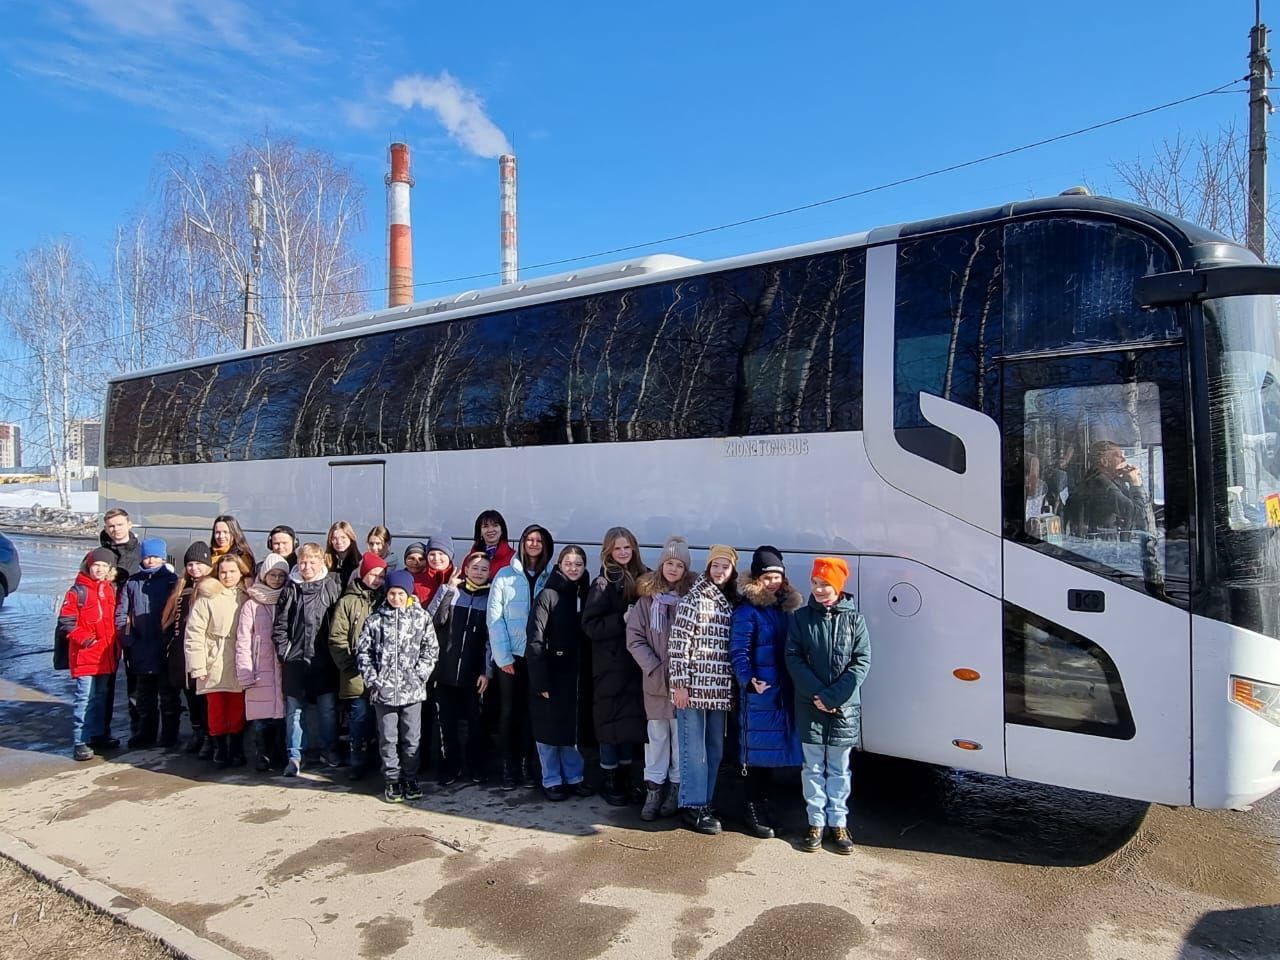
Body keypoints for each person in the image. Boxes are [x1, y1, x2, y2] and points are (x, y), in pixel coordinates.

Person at [786, 557, 870, 855]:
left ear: (838, 587)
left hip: (843, 709)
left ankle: (839, 822)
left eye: (826, 584)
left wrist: (833, 697)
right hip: (811, 706)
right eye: (816, 583)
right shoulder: (800, 618)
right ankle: (816, 823)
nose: (820, 589)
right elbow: (793, 658)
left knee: (839, 769)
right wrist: (818, 695)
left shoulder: (855, 620)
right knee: (812, 768)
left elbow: (861, 663)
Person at [730, 545, 804, 839]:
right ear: (758, 577)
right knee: (756, 754)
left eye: (778, 576)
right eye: (768, 576)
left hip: (782, 691)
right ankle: (751, 806)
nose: (774, 581)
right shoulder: (748, 610)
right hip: (760, 691)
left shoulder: (784, 609)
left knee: (774, 752)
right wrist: (748, 680)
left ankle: (762, 803)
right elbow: (738, 650)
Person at [668, 544, 739, 835]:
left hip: (719, 690)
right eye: (715, 566)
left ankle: (705, 801)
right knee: (693, 749)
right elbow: (678, 644)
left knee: (714, 749)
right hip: (694, 686)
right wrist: (679, 684)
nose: (720, 571)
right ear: (707, 568)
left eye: (725, 566)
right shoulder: (694, 598)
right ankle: (692, 805)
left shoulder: (730, 599)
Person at [625, 536, 695, 820]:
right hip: (654, 681)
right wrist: (653, 667)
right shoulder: (646, 601)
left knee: (680, 739)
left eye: (679, 565)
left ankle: (676, 791)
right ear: (661, 565)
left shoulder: (691, 599)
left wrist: (685, 672)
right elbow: (635, 638)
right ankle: (654, 790)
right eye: (669, 563)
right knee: (656, 738)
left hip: (683, 685)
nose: (674, 569)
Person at [357, 569, 439, 804]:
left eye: (401, 593)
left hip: (412, 691)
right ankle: (392, 780)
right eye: (392, 593)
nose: (396, 598)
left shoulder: (421, 618)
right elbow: (364, 652)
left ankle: (411, 778)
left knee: (412, 737)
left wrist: (419, 675)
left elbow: (430, 649)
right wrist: (374, 680)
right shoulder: (375, 620)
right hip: (384, 692)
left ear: (409, 593)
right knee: (388, 737)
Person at [582, 526, 649, 806]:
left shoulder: (644, 577)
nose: (623, 552)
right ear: (608, 552)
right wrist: (621, 619)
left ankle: (627, 776)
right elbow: (590, 625)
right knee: (610, 725)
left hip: (635, 664)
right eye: (617, 548)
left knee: (630, 724)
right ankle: (610, 779)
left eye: (627, 547)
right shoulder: (602, 583)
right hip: (610, 665)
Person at [487, 523, 554, 789]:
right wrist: (503, 658)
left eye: (539, 540)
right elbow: (494, 618)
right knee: (508, 713)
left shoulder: (552, 576)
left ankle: (529, 765)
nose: (534, 544)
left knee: (532, 713)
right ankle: (508, 766)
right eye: (529, 539)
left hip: (538, 658)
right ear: (522, 543)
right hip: (511, 657)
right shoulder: (504, 575)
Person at [527, 545, 595, 801]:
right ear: (559, 565)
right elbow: (535, 639)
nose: (574, 568)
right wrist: (540, 679)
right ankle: (551, 779)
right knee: (548, 732)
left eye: (578, 564)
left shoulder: (585, 594)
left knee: (570, 731)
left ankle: (574, 777)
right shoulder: (548, 595)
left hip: (575, 676)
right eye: (569, 563)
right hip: (550, 673)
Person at [273, 542, 343, 776]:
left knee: (328, 710)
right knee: (295, 712)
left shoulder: (332, 585)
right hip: (295, 661)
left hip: (324, 660)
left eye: (312, 561)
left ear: (321, 562)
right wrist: (284, 652)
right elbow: (280, 625)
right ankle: (294, 756)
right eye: (303, 561)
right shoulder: (291, 588)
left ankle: (329, 750)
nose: (307, 566)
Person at [185, 552, 252, 767]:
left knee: (237, 707)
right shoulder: (208, 597)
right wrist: (198, 665)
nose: (227, 576)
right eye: (223, 572)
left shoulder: (247, 595)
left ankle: (236, 748)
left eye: (232, 571)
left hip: (240, 656)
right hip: (213, 657)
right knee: (216, 708)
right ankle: (220, 748)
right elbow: (194, 633)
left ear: (240, 571)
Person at [432, 551, 493, 786]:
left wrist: (487, 671)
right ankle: (450, 767)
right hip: (445, 673)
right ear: (465, 569)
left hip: (473, 675)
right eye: (474, 567)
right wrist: (447, 590)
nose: (478, 572)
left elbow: (490, 640)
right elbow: (434, 620)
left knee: (476, 725)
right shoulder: (452, 591)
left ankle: (477, 767)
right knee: (446, 725)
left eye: (484, 569)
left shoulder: (490, 598)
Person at [115, 537, 179, 748]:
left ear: (162, 558)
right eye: (147, 557)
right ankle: (145, 733)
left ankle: (169, 735)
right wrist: (128, 640)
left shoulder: (172, 581)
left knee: (168, 696)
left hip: (165, 649)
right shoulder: (132, 583)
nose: (151, 561)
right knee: (144, 697)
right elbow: (122, 614)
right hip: (140, 648)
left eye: (155, 557)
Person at [329, 552, 388, 779]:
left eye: (381, 576)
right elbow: (337, 638)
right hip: (356, 675)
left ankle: (378, 760)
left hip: (383, 674)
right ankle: (357, 762)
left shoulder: (386, 600)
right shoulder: (347, 602)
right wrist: (351, 667)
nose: (377, 580)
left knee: (380, 721)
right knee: (359, 719)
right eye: (373, 574)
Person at [61, 548, 121, 761]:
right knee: (84, 698)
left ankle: (98, 735)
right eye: (96, 565)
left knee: (101, 698)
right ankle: (80, 740)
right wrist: (87, 640)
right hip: (86, 655)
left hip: (106, 656)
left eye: (104, 566)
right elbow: (67, 622)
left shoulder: (110, 590)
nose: (100, 569)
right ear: (88, 565)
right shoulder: (78, 591)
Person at [236, 554, 289, 772]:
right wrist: (245, 670)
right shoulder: (251, 604)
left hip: (282, 666)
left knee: (280, 716)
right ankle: (261, 754)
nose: (276, 579)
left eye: (280, 575)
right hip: (259, 667)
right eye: (272, 574)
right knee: (260, 718)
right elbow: (243, 639)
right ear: (263, 575)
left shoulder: (288, 598)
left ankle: (277, 753)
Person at [162, 542, 214, 756]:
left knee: (204, 697)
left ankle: (211, 736)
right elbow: (170, 621)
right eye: (190, 564)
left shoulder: (212, 589)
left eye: (199, 563)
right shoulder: (181, 589)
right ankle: (198, 731)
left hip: (204, 652)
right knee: (190, 695)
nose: (194, 568)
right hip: (180, 653)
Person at [100, 508, 141, 744]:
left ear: (130, 524)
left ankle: (138, 727)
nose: (115, 530)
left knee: (135, 678)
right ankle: (101, 731)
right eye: (111, 526)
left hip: (132, 624)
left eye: (119, 524)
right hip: (105, 623)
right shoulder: (100, 554)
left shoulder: (140, 552)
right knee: (104, 679)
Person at [1066, 440, 1154, 536]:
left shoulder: (1095, 479)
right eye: (1119, 456)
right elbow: (1138, 516)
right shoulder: (1103, 485)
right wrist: (1136, 483)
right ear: (1104, 462)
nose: (1124, 460)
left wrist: (1125, 481)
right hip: (1105, 545)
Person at [470, 510, 515, 575]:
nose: (490, 530)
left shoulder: (514, 558)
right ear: (480, 532)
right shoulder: (470, 558)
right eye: (485, 526)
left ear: (502, 530)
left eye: (495, 525)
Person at [326, 521, 362, 585]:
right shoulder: (325, 562)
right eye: (334, 538)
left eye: (343, 537)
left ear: (351, 538)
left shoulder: (360, 563)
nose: (339, 542)